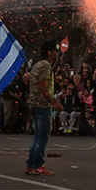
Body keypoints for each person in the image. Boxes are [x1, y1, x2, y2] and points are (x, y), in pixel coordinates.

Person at [25, 40, 63, 176]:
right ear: (49, 52)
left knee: (37, 136)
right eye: (55, 50)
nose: (57, 53)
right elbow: (43, 88)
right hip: (42, 105)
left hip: (34, 104)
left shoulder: (37, 65)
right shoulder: (46, 66)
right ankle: (37, 165)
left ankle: (31, 164)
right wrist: (54, 102)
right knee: (42, 136)